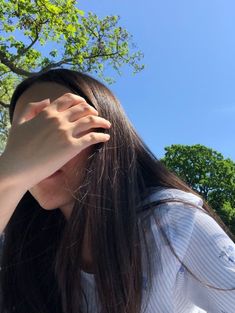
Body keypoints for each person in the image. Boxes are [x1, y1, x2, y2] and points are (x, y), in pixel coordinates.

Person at [0, 68, 234, 313]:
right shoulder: (21, 243)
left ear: (107, 134)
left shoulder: (171, 223)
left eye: (62, 124)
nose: (37, 148)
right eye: (23, 136)